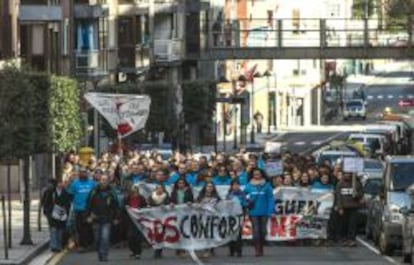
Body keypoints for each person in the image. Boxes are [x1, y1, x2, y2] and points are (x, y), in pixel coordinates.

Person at [86, 174, 120, 262]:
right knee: (97, 239)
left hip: (107, 219)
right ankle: (100, 253)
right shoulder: (93, 192)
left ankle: (104, 255)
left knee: (105, 238)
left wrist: (116, 218)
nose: (104, 181)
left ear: (108, 181)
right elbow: (88, 205)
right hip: (96, 219)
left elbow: (116, 206)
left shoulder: (112, 193)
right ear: (99, 181)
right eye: (102, 179)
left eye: (105, 180)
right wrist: (88, 216)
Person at [244, 169, 274, 257]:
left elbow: (270, 198)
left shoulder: (267, 186)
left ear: (262, 175)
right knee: (256, 231)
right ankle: (257, 250)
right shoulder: (248, 186)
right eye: (255, 174)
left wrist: (270, 210)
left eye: (258, 174)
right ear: (252, 175)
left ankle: (261, 247)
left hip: (264, 212)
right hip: (253, 212)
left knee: (263, 231)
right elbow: (243, 196)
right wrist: (246, 203)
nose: (257, 175)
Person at [67, 167, 97, 252]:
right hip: (78, 210)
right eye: (81, 172)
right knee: (80, 228)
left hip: (89, 210)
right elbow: (70, 195)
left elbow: (97, 194)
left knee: (88, 227)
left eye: (85, 172)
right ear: (79, 174)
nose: (83, 174)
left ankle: (90, 244)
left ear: (87, 173)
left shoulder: (92, 183)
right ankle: (82, 245)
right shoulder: (75, 184)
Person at [42, 179, 72, 252]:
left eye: (61, 183)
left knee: (60, 230)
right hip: (52, 213)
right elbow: (45, 202)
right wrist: (48, 212)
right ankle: (54, 246)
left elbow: (68, 204)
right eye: (59, 183)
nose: (60, 185)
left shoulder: (66, 193)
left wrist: (66, 213)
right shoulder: (50, 192)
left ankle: (59, 246)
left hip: (62, 213)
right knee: (53, 229)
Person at [335, 172, 363, 247]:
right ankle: (343, 238)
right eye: (346, 174)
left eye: (349, 174)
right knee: (344, 224)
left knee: (352, 224)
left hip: (353, 207)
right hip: (344, 207)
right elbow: (338, 197)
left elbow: (361, 195)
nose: (347, 175)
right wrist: (340, 207)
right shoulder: (340, 184)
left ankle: (351, 239)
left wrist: (356, 194)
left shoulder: (356, 183)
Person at [170, 178, 194, 257]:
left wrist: (190, 203)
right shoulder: (174, 192)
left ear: (185, 184)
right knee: (177, 231)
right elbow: (171, 200)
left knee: (184, 231)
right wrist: (172, 203)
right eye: (179, 183)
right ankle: (178, 249)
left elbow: (192, 200)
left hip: (186, 214)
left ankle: (183, 249)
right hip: (177, 214)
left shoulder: (188, 191)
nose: (181, 184)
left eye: (182, 183)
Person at [197, 182, 221, 258]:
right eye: (208, 186)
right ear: (205, 187)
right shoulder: (200, 197)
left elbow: (221, 207)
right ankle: (205, 249)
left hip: (213, 218)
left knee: (211, 234)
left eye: (211, 187)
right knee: (203, 234)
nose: (209, 188)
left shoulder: (217, 197)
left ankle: (210, 250)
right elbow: (196, 206)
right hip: (203, 218)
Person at [124, 186, 147, 259]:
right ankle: (133, 251)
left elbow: (145, 207)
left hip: (139, 219)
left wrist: (141, 209)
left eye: (136, 190)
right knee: (130, 236)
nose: (134, 192)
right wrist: (126, 207)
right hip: (130, 219)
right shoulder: (127, 198)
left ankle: (138, 252)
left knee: (137, 237)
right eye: (133, 190)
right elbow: (123, 207)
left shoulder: (141, 198)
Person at [226, 180, 247, 257]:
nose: (236, 186)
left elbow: (245, 204)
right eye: (234, 185)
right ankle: (231, 250)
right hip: (231, 216)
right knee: (231, 233)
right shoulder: (229, 195)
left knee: (238, 234)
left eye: (237, 185)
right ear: (231, 186)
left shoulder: (242, 194)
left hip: (239, 216)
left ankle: (239, 251)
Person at [148, 184, 170, 259]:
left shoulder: (166, 196)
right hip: (154, 218)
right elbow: (149, 205)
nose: (159, 190)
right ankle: (156, 250)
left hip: (163, 218)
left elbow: (168, 204)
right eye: (158, 188)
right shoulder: (151, 197)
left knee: (161, 234)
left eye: (161, 188)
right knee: (155, 234)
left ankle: (159, 251)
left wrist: (164, 205)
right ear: (155, 189)